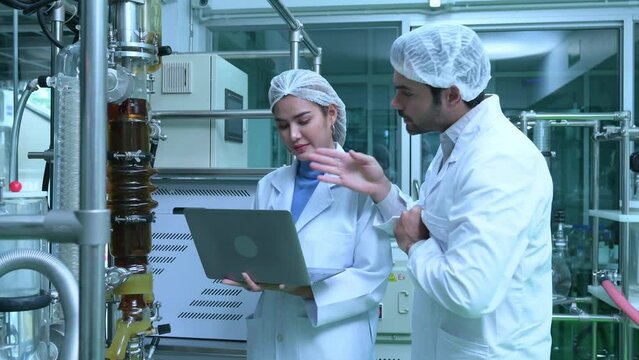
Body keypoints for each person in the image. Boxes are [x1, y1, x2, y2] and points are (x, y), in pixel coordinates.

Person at [309, 24, 553, 360]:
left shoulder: (499, 159)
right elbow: (428, 224)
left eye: (406, 92)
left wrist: (415, 247)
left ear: (452, 94)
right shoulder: (454, 146)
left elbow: (467, 291)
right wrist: (381, 189)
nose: (395, 102)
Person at [222, 69, 393, 360]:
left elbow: (372, 279)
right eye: (282, 126)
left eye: (303, 120)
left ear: (331, 114)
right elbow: (259, 257)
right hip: (272, 340)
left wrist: (302, 290)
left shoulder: (363, 186)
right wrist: (246, 270)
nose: (294, 135)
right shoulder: (270, 185)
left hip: (332, 345)